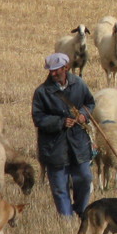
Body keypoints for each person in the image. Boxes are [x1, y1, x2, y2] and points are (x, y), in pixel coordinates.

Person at [31, 52, 96, 217]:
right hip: (54, 146)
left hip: (78, 142)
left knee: (85, 177)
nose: (53, 73)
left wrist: (83, 115)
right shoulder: (42, 92)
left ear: (66, 68)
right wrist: (60, 122)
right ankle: (66, 220)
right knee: (60, 187)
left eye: (56, 70)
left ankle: (81, 211)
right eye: (51, 71)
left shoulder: (79, 84)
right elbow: (38, 118)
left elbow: (90, 102)